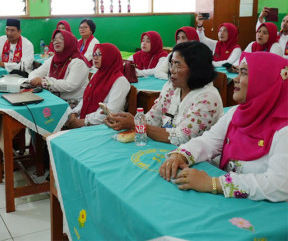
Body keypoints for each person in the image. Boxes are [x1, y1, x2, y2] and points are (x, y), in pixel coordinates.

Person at [159, 52, 288, 202]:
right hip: (230, 202)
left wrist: (214, 183)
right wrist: (180, 155)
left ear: (265, 81)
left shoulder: (284, 130)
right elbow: (209, 141)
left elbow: (279, 185)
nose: (236, 79)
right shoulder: (237, 113)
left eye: (244, 73)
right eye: (238, 72)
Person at [106, 41, 223, 146]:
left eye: (178, 65)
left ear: (196, 68)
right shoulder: (171, 88)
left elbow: (182, 137)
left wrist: (137, 125)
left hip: (195, 160)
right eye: (171, 64)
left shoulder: (207, 98)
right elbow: (153, 118)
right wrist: (128, 120)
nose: (171, 70)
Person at [66, 43, 130, 128]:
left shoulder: (120, 81)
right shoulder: (95, 75)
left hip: (103, 126)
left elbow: (111, 112)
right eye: (95, 54)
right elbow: (86, 98)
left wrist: (84, 121)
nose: (95, 57)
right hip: (86, 121)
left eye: (100, 54)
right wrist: (74, 113)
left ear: (110, 57)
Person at [29, 30, 90, 105]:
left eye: (61, 38)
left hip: (73, 104)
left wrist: (43, 81)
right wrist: (33, 80)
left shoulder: (78, 62)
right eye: (54, 39)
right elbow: (36, 72)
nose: (56, 42)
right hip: (54, 98)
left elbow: (69, 85)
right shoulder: (54, 59)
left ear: (69, 42)